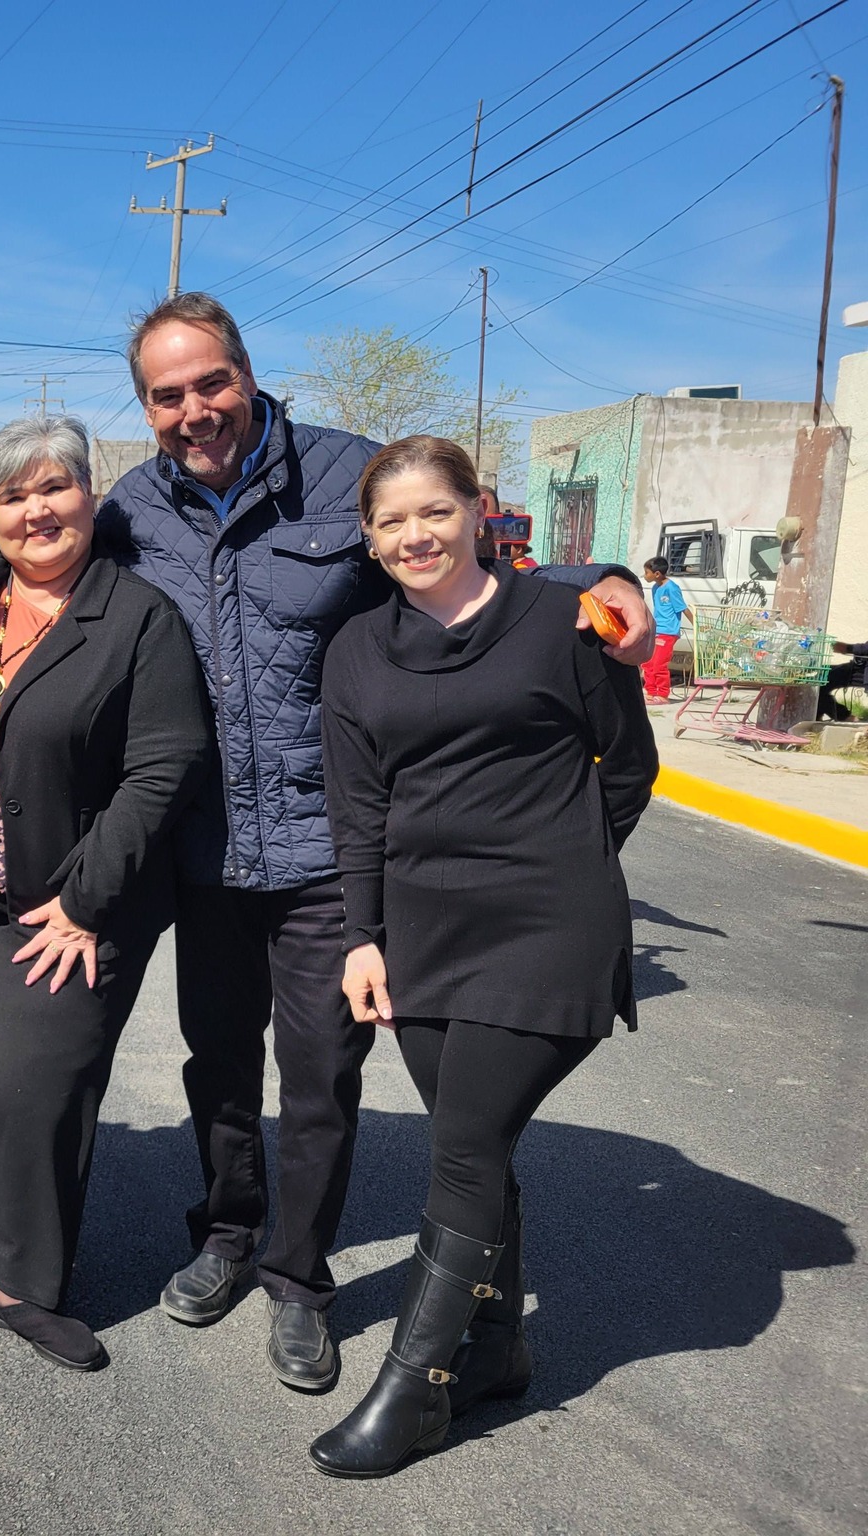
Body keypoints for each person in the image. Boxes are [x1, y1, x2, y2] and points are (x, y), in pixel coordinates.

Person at [0, 292, 654, 1392]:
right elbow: (44, 560)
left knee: (318, 1077)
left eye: (209, 382)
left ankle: (296, 1280)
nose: (193, 410)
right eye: (165, 395)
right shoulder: (127, 507)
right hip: (203, 846)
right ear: (145, 407)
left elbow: (449, 562)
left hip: (329, 849)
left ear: (248, 373)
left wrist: (597, 583)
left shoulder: (341, 475)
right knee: (215, 1062)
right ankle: (224, 1233)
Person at [310, 436, 654, 1476]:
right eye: (390, 522)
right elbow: (356, 809)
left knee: (461, 1143)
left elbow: (625, 770)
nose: (414, 535)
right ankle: (498, 1345)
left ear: (476, 512)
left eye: (433, 512)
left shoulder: (561, 622)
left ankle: (412, 1387)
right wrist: (362, 936)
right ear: (366, 541)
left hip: (545, 930)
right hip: (418, 934)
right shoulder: (356, 651)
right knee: (479, 1141)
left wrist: (561, 867)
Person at [0, 417, 209, 1371]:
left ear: (90, 495)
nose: (37, 510)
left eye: (55, 489)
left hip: (67, 894)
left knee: (34, 1081)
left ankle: (18, 1281)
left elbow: (166, 765)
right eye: (12, 496)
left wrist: (87, 900)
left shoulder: (137, 617)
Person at [642, 556, 687, 702]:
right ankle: (650, 691)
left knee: (659, 664)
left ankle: (662, 694)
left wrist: (699, 625)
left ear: (657, 574)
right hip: (656, 630)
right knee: (648, 662)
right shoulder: (655, 588)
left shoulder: (672, 588)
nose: (644, 575)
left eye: (646, 572)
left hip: (667, 632)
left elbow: (682, 608)